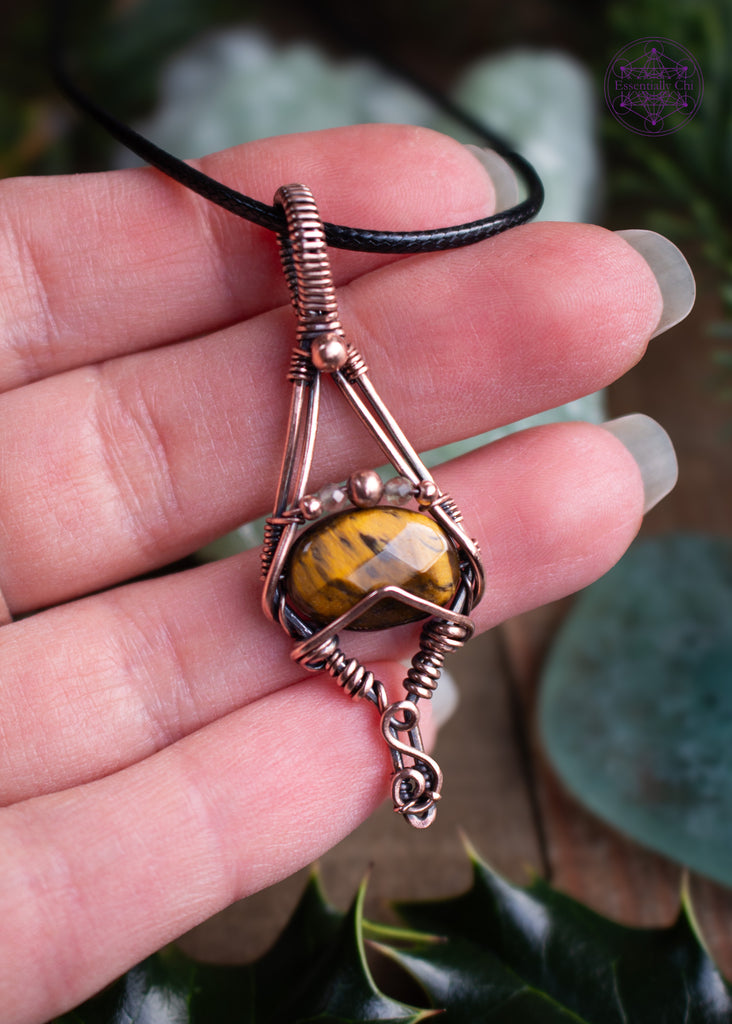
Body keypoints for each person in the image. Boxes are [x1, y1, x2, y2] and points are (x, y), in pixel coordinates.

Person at [0, 123, 691, 1023]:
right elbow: (396, 583)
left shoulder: (364, 562)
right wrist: (402, 678)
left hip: (359, 568)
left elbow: (385, 586)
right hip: (363, 565)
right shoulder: (375, 563)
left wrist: (396, 678)